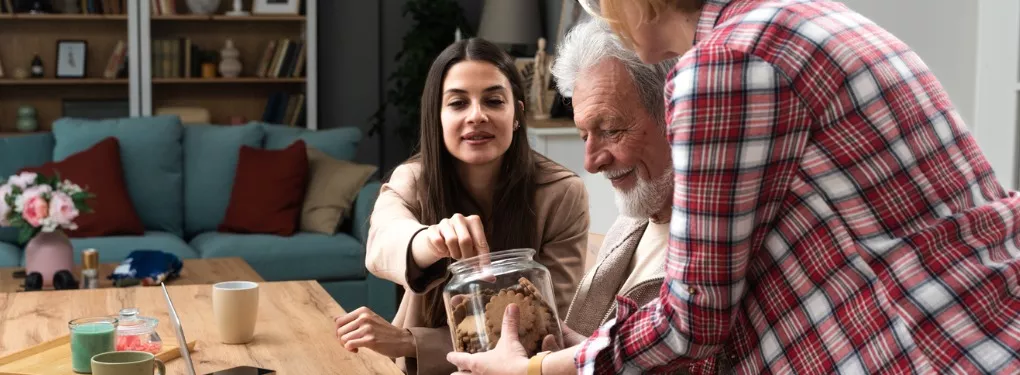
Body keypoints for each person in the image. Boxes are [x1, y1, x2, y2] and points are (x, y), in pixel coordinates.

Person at [448, 0, 1020, 374]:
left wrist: (537, 370)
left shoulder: (720, 64)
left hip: (932, 351)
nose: (597, 11)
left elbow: (693, 320)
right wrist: (584, 351)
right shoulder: (802, 17)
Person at [334, 37, 589, 375]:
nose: (477, 116)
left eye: (494, 101)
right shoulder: (412, 179)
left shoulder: (561, 194)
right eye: (457, 103)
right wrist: (431, 240)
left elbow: (549, 329)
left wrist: (411, 342)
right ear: (436, 117)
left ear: (517, 114)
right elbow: (382, 242)